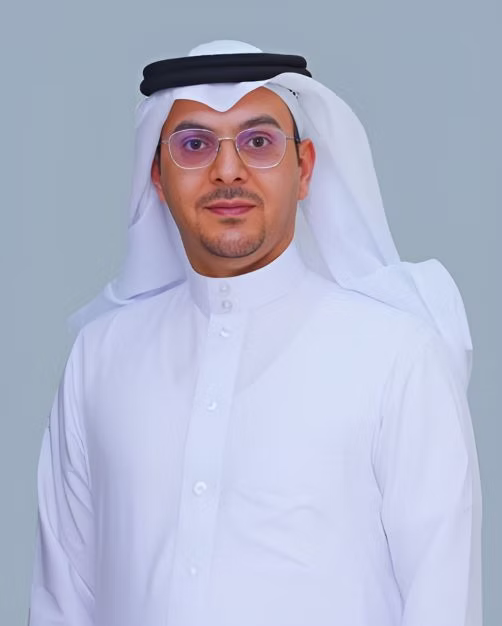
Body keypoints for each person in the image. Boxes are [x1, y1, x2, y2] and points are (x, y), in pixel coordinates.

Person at [28, 40, 482, 626]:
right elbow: (63, 601)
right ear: (158, 176)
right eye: (194, 145)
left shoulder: (397, 357)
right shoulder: (99, 358)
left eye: (259, 142)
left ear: (305, 169)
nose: (227, 170)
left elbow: (442, 601)